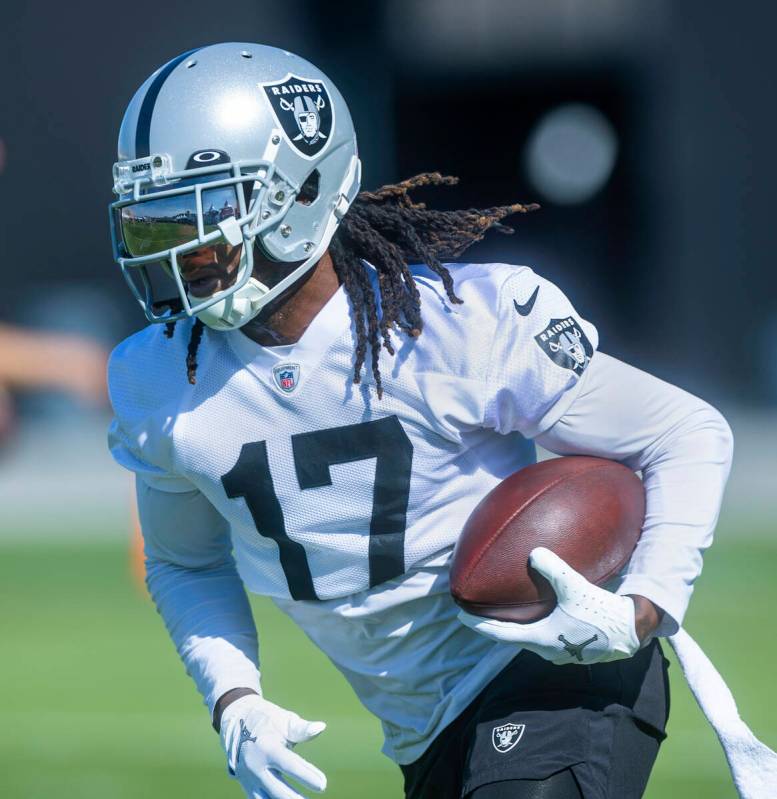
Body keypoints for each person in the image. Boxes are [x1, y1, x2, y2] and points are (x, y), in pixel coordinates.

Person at [106, 43, 733, 799]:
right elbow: (186, 560)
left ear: (298, 194)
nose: (181, 250)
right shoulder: (159, 377)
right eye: (154, 224)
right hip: (424, 726)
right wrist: (233, 697)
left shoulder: (457, 324)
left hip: (556, 667)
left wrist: (641, 607)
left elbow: (686, 432)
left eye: (205, 215)